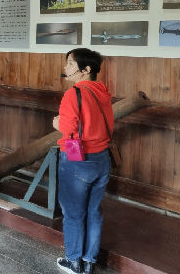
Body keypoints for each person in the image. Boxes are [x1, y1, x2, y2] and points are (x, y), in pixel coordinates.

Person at [53, 48, 114, 274]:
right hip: (102, 159)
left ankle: (73, 261)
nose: (66, 68)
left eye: (70, 63)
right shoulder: (103, 92)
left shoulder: (73, 93)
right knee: (94, 212)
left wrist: (57, 124)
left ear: (85, 70)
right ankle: (89, 262)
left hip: (77, 159)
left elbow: (68, 130)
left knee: (73, 214)